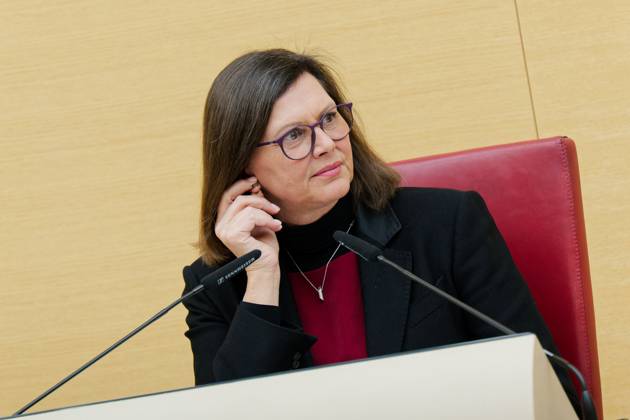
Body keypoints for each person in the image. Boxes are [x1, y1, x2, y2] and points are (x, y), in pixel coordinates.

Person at [181, 48, 578, 410]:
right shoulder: (214, 286)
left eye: (329, 118)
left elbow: (548, 390)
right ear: (244, 164)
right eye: (295, 135)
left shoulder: (447, 226)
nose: (325, 144)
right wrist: (261, 276)